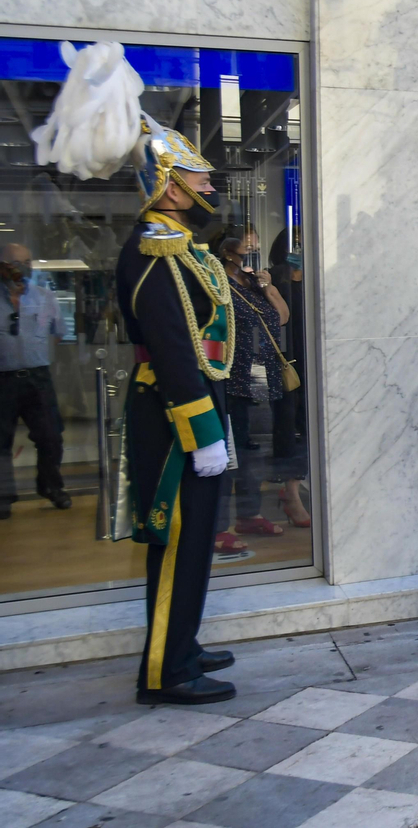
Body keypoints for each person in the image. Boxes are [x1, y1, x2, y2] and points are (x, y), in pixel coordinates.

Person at [117, 118, 238, 705]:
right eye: (195, 173)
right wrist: (201, 428)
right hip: (173, 416)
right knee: (178, 542)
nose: (207, 182)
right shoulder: (152, 249)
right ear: (169, 186)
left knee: (194, 542)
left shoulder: (176, 244)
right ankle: (165, 672)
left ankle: (180, 644)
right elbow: (170, 347)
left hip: (192, 405)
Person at [216, 235, 292, 551]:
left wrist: (267, 286)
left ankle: (249, 513)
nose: (252, 256)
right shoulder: (220, 284)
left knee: (253, 450)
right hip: (232, 377)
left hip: (260, 375)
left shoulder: (252, 285)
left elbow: (282, 317)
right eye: (247, 251)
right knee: (229, 452)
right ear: (228, 254)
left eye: (255, 251)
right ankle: (218, 526)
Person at [0, 243, 68, 520]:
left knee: (51, 437)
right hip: (3, 380)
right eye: (17, 262)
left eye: (28, 261)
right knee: (1, 442)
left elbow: (59, 333)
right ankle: (3, 497)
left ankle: (51, 486)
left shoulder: (45, 297)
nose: (23, 267)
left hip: (38, 378)